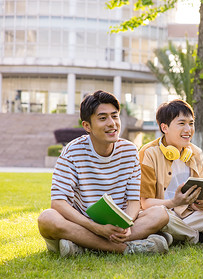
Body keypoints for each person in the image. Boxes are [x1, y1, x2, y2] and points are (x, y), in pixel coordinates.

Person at [38, 90, 170, 257]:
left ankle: (82, 246)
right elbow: (58, 203)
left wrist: (127, 225)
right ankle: (126, 249)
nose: (112, 123)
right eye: (103, 118)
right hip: (83, 224)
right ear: (87, 126)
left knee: (160, 213)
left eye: (114, 116)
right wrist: (96, 228)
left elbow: (134, 201)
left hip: (118, 225)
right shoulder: (72, 152)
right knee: (47, 218)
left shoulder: (129, 151)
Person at [139, 99, 203, 244]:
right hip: (164, 214)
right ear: (165, 128)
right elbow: (145, 203)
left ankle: (173, 235)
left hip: (188, 215)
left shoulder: (196, 152)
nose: (188, 130)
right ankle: (200, 237)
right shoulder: (148, 153)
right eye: (182, 123)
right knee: (160, 216)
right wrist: (173, 202)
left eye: (191, 123)